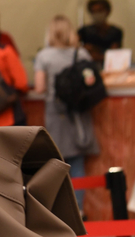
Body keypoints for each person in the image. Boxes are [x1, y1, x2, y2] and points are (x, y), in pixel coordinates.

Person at [34, 15, 100, 212]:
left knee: (57, 162)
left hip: (56, 113)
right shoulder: (82, 55)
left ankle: (60, 212)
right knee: (78, 162)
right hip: (79, 113)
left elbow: (39, 87)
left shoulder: (44, 56)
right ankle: (78, 210)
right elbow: (92, 82)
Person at [78, 0, 123, 67]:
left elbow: (114, 54)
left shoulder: (115, 32)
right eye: (93, 12)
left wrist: (95, 51)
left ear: (107, 12)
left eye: (100, 11)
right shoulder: (84, 31)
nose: (97, 14)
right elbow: (78, 49)